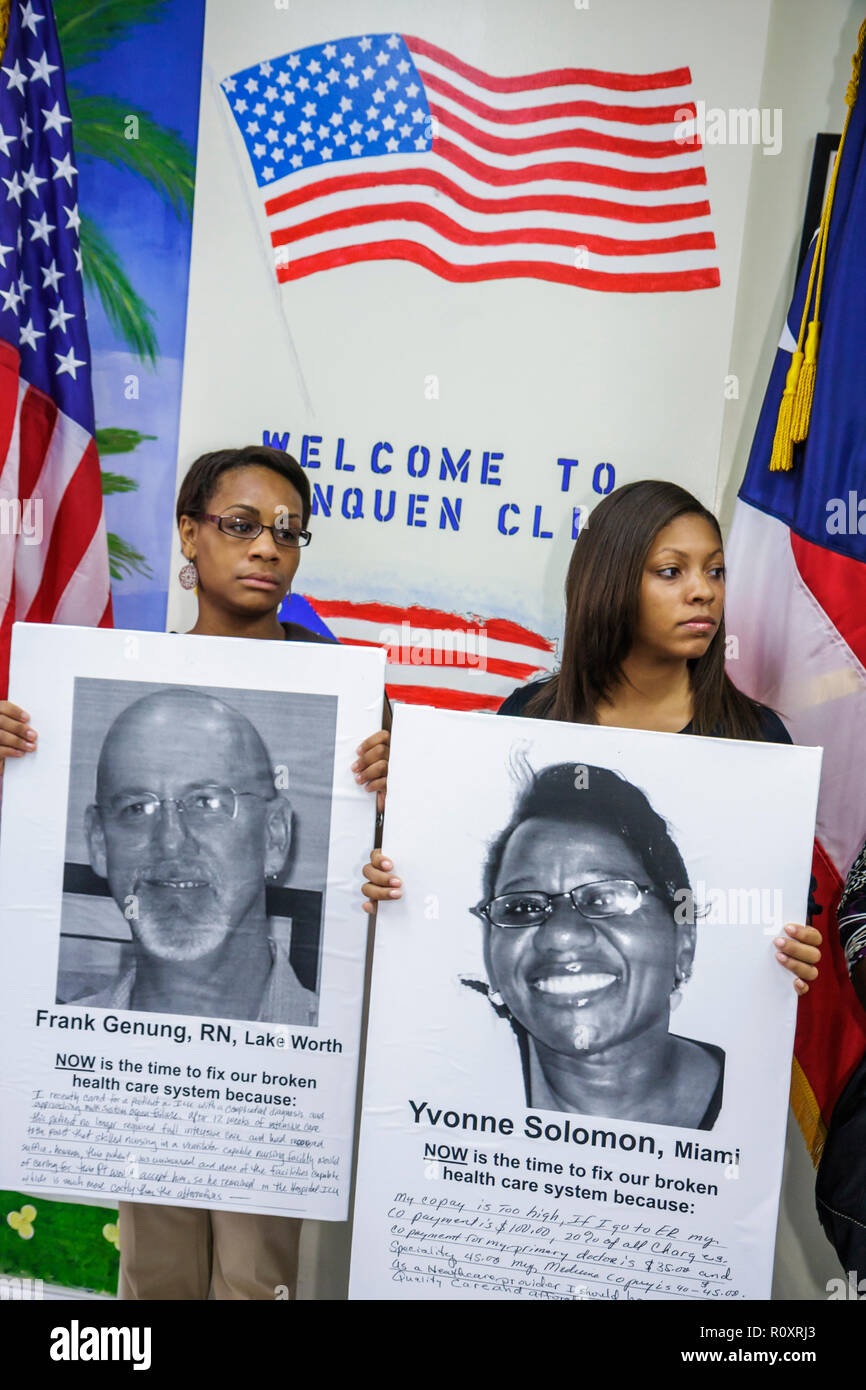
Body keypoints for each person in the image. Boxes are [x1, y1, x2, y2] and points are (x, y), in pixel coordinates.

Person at [0, 443, 389, 1300]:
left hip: (278, 1071)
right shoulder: (114, 677)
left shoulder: (356, 705)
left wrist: (403, 792)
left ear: (275, 834)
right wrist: (11, 762)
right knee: (154, 1275)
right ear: (188, 534)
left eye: (288, 532)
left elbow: (403, 871)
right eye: (241, 525)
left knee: (257, 1280)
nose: (266, 548)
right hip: (138, 1067)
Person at [362, 480, 822, 1002]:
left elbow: (784, 907)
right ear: (611, 581)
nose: (704, 591)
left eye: (715, 570)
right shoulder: (529, 719)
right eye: (672, 572)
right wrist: (402, 870)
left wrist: (792, 947)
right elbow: (461, 886)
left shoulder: (759, 739)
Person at [467, 761, 725, 1128]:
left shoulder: (751, 1102)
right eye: (523, 906)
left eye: (604, 898)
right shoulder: (443, 1087)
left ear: (684, 941)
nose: (560, 935)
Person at [62, 686, 316, 1024]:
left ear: (274, 836)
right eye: (137, 808)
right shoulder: (46, 1047)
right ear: (99, 842)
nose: (169, 841)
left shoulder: (355, 1049)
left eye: (206, 803)